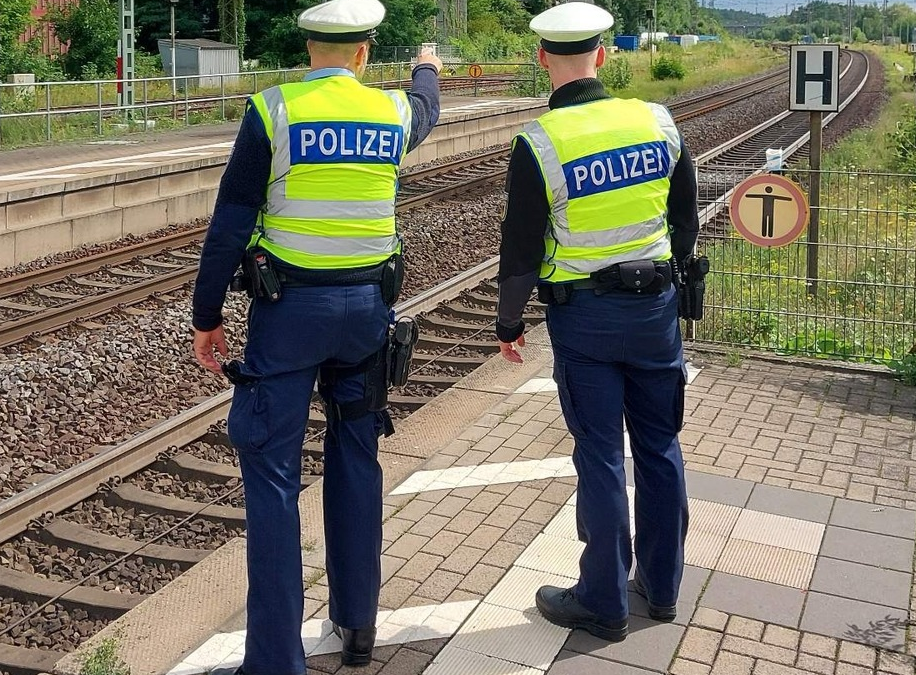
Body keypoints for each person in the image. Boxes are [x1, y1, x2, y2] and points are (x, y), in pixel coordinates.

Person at [190, 0, 442, 671]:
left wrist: (206, 315)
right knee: (356, 456)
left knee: (272, 476)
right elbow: (425, 107)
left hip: (289, 317)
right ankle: (358, 629)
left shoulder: (273, 111)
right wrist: (426, 69)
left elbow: (229, 224)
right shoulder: (392, 114)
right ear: (363, 52)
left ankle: (275, 660)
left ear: (309, 50)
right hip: (366, 316)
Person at [494, 2, 699, 643]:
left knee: (602, 455)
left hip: (583, 321)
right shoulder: (657, 121)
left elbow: (521, 247)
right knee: (661, 447)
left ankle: (603, 601)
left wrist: (507, 323)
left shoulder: (540, 143)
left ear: (542, 60)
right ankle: (661, 589)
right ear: (603, 57)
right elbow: (685, 219)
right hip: (656, 310)